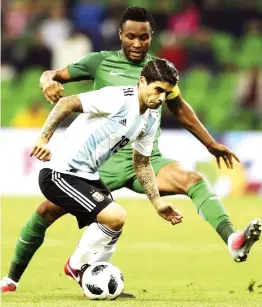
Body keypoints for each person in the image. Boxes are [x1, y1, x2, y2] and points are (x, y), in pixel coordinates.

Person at [1, 6, 261, 293]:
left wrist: (209, 144)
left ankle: (232, 239)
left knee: (193, 180)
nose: (138, 43)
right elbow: (54, 78)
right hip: (98, 167)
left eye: (144, 37)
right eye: (132, 37)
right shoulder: (100, 63)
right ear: (121, 35)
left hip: (143, 158)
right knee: (46, 212)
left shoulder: (161, 74)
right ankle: (12, 279)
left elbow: (180, 109)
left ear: (152, 37)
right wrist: (46, 82)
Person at [2, 59, 184, 295]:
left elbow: (141, 163)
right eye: (158, 89)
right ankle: (77, 266)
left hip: (87, 176)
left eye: (166, 93)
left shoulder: (151, 117)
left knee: (47, 213)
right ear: (142, 81)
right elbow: (67, 103)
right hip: (60, 173)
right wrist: (43, 139)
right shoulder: (118, 98)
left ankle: (11, 280)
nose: (161, 98)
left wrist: (158, 202)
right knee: (115, 217)